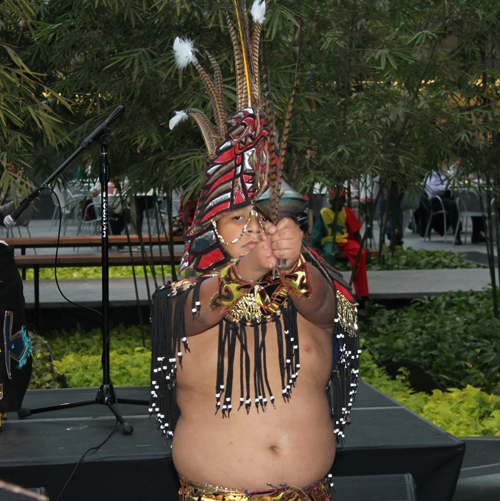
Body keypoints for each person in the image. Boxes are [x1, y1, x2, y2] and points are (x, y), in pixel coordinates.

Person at [150, 3, 359, 500]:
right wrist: (244, 272)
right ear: (212, 229)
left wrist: (293, 265)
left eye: (263, 216)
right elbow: (193, 313)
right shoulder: (181, 296)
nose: (252, 228)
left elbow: (327, 309)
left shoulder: (313, 285)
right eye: (237, 218)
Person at [312, 188, 369, 300]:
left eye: (341, 200)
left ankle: (362, 292)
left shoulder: (347, 211)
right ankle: (328, 287)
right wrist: (317, 246)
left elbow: (356, 232)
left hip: (345, 240)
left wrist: (362, 245)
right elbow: (317, 231)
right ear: (331, 200)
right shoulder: (324, 213)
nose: (338, 203)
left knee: (360, 254)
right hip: (330, 240)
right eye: (335, 200)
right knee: (329, 254)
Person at [418, 166, 463, 245]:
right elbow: (432, 190)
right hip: (436, 201)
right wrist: (446, 188)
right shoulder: (431, 174)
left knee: (472, 202)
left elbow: (455, 185)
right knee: (453, 205)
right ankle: (457, 234)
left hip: (449, 198)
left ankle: (477, 233)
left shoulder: (448, 174)